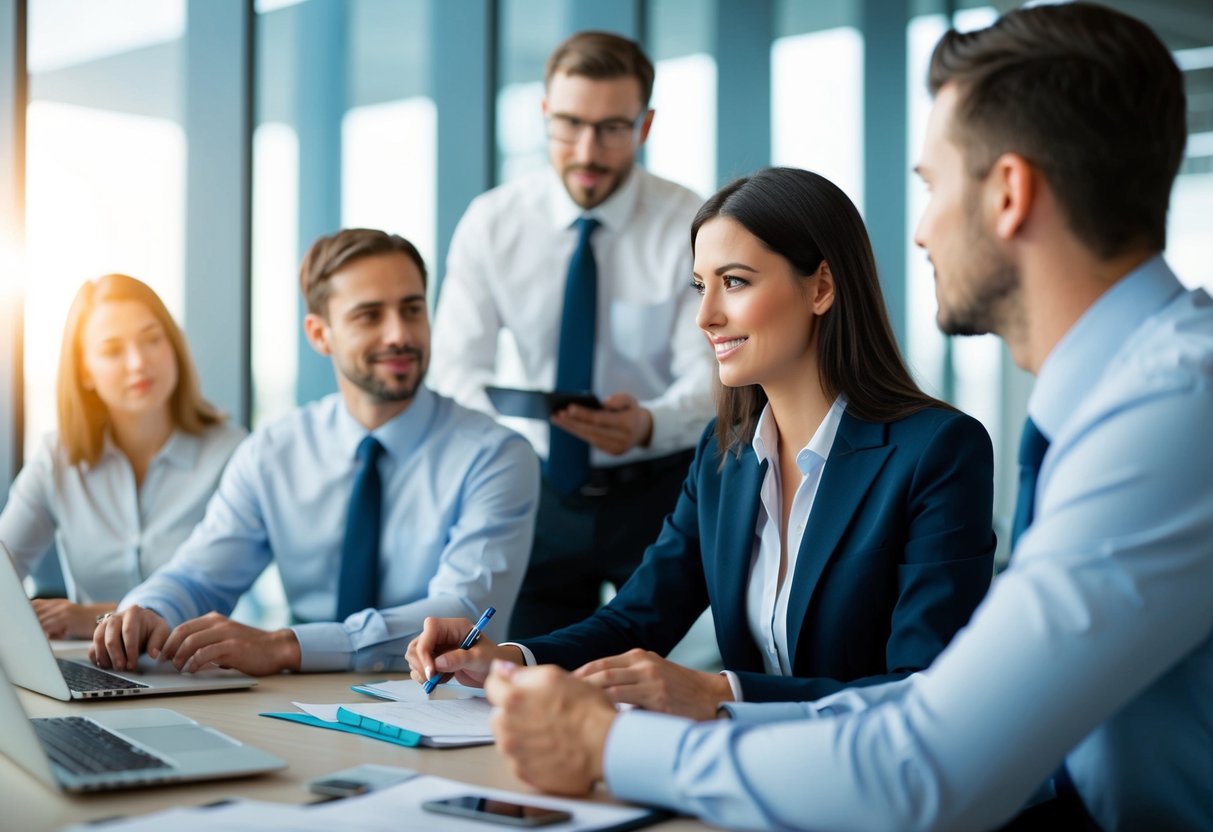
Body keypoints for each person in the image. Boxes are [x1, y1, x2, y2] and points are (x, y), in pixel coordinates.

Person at [480, 4, 1213, 829]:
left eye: (931, 185)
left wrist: (615, 742)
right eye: (701, 286)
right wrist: (509, 657)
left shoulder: (1170, 415)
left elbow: (932, 756)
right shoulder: (1121, 400)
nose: (922, 231)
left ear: (1009, 192)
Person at [408, 167, 996, 716]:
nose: (706, 316)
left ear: (820, 288)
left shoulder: (939, 452)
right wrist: (507, 657)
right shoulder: (725, 459)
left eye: (734, 282)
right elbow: (636, 620)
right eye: (699, 287)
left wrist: (722, 693)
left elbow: (923, 689)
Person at [90, 229, 539, 676]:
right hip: (298, 703)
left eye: (412, 309)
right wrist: (146, 609)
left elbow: (461, 613)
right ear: (320, 334)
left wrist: (287, 646)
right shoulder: (273, 451)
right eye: (369, 316)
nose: (399, 334)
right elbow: (198, 575)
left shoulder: (497, 455)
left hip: (444, 704)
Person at [430, 31, 714, 638]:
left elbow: (714, 374)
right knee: (531, 666)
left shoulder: (691, 224)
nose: (587, 150)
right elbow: (454, 371)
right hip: (538, 491)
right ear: (543, 116)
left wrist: (648, 423)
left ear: (645, 125)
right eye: (569, 125)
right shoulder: (493, 223)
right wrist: (511, 429)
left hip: (660, 492)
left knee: (651, 678)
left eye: (612, 127)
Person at [0, 274, 245, 639]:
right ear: (85, 371)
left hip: (200, 671)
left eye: (152, 340)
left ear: (173, 346)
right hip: (91, 665)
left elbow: (212, 590)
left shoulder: (233, 454)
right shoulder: (57, 457)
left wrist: (94, 617)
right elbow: (6, 568)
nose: (138, 363)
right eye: (113, 350)